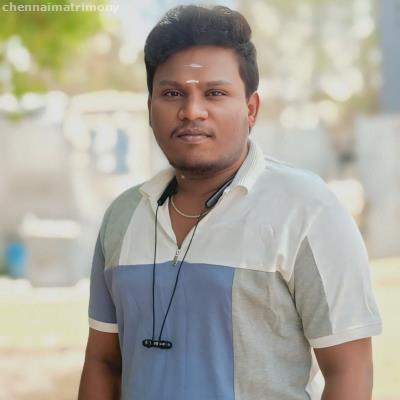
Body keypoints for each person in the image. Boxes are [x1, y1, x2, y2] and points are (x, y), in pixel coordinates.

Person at [78, 5, 382, 400]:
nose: (192, 111)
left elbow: (350, 371)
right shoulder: (122, 216)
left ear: (251, 109)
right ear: (150, 108)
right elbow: (103, 363)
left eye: (215, 93)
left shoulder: (307, 210)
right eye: (173, 93)